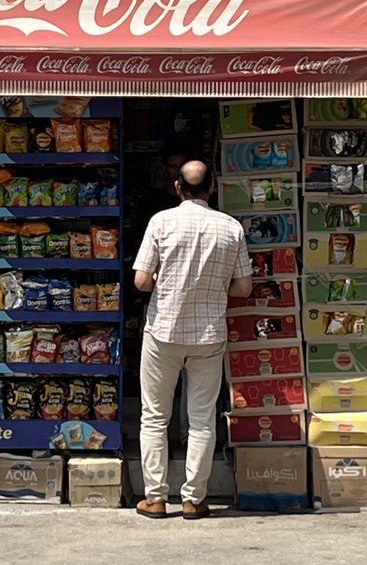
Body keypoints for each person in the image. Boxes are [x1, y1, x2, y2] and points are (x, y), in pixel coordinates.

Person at [132, 160, 252, 520]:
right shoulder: (231, 228)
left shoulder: (161, 222)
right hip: (208, 335)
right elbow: (244, 287)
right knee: (201, 419)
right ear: (211, 188)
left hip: (163, 332)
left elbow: (140, 281)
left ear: (178, 188)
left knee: (154, 416)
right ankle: (193, 500)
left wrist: (164, 284)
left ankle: (154, 498)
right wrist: (213, 289)